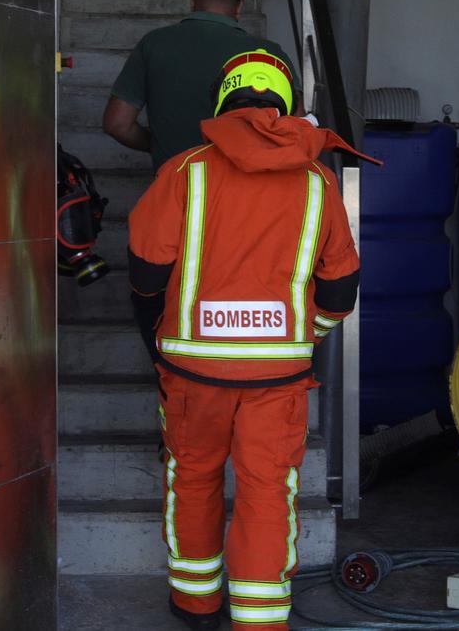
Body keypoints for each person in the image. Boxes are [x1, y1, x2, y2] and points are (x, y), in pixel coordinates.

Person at [127, 49, 377, 631]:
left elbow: (145, 275)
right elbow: (341, 291)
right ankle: (260, 620)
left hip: (192, 375)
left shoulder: (185, 171)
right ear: (283, 103)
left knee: (192, 479)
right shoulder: (318, 182)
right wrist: (302, 335)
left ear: (224, 100)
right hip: (277, 380)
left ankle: (195, 603)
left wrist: (162, 340)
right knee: (268, 494)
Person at [103, 0, 299, 172]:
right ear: (240, 5)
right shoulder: (268, 55)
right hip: (243, 193)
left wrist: (160, 145)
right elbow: (296, 129)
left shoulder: (153, 44)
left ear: (192, 0)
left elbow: (117, 124)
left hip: (173, 188)